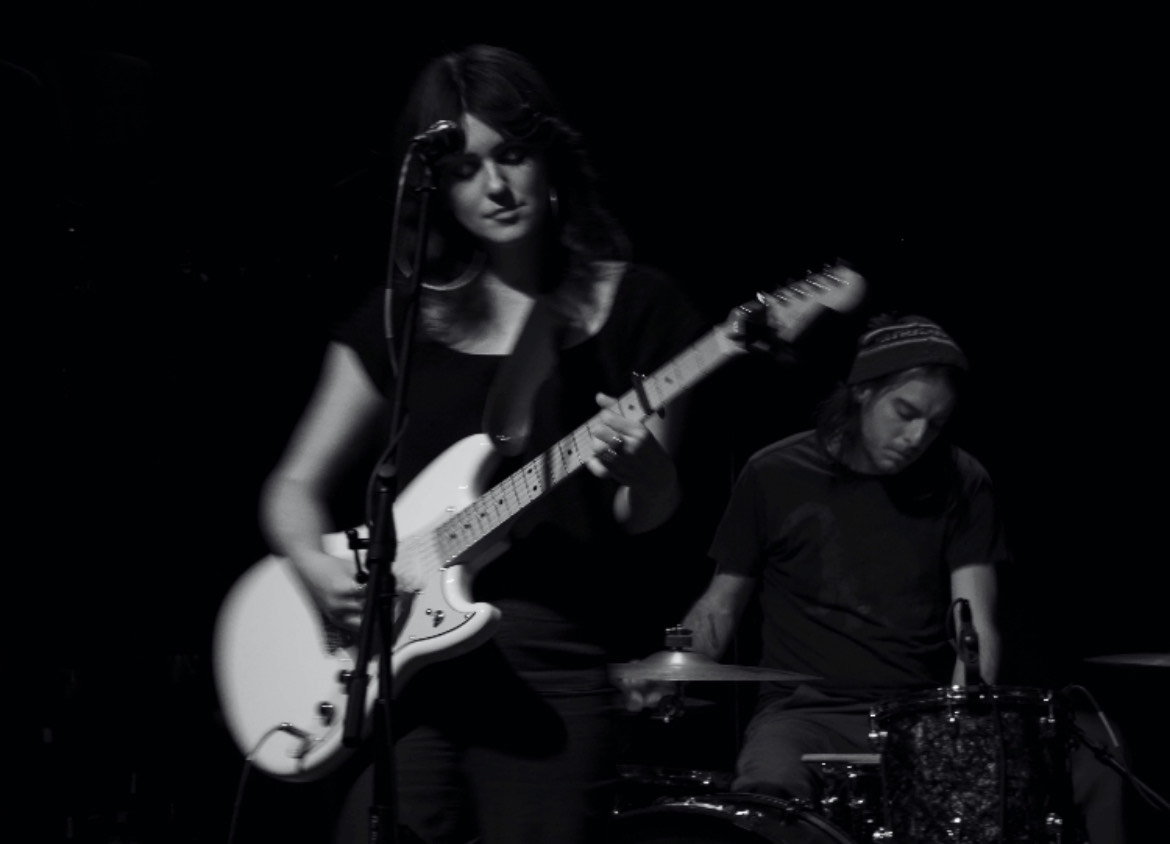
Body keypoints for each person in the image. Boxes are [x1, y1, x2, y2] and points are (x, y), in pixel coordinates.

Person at [258, 45, 708, 843]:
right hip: (396, 672)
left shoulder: (640, 305)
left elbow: (647, 516)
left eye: (513, 155)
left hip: (552, 668)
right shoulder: (402, 320)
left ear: (550, 154)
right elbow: (292, 487)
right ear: (435, 188)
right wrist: (316, 567)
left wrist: (644, 469)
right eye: (465, 170)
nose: (496, 186)